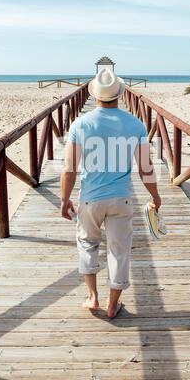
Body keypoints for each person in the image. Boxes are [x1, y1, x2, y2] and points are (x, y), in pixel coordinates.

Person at [60, 69, 161, 318]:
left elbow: (69, 168)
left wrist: (64, 200)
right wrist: (155, 197)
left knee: (87, 242)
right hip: (122, 198)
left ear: (95, 95)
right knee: (119, 249)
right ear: (119, 93)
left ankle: (92, 295)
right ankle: (112, 303)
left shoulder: (80, 124)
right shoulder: (135, 125)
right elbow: (145, 168)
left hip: (90, 197)